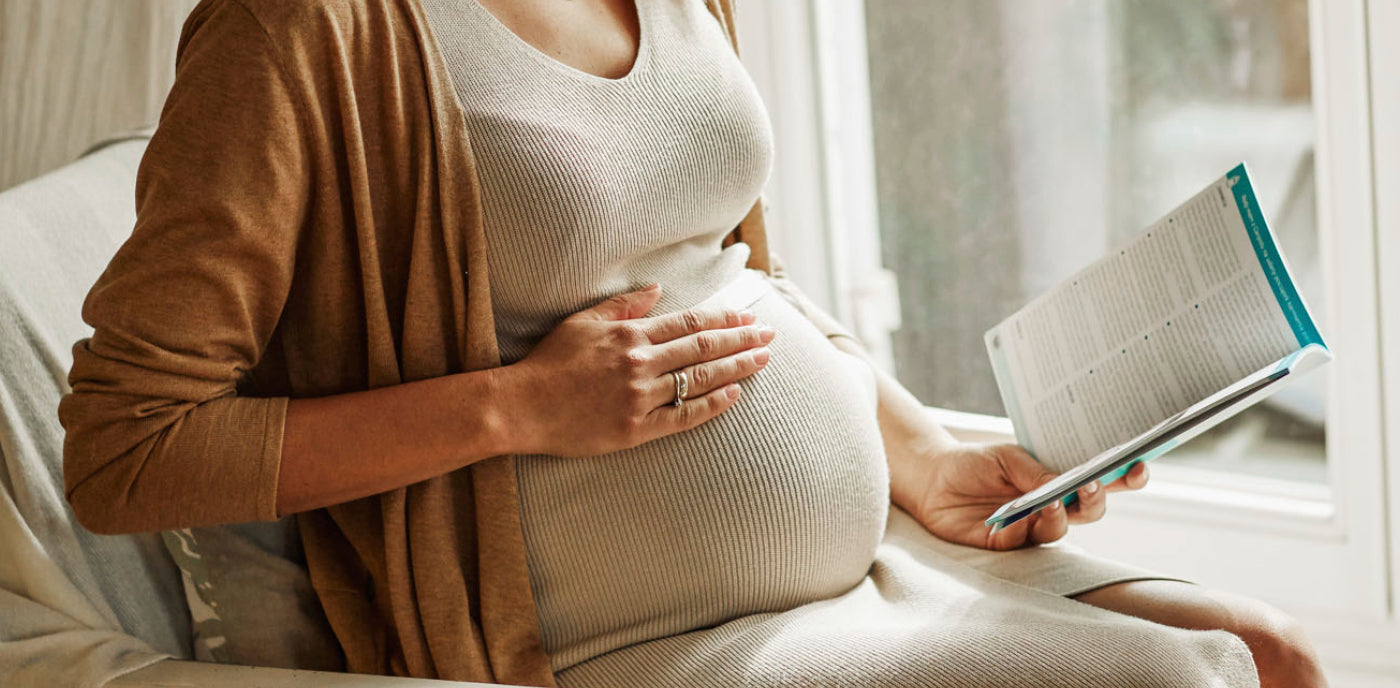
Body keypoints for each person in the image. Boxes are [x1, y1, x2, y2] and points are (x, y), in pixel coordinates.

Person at [59, 0, 1327, 686]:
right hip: (634, 635)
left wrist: (923, 460)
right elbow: (127, 452)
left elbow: (732, 275)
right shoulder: (296, 30)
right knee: (1189, 683)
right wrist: (516, 405)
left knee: (1274, 653)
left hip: (866, 558)